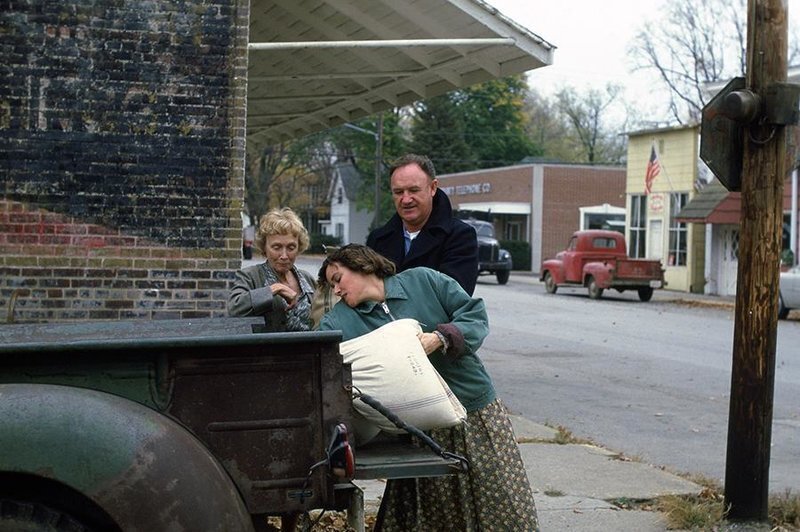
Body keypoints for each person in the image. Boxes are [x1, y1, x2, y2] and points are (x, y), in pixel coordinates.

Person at [317, 244, 538, 531]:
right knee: (438, 512)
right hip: (421, 428)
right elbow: (317, 358)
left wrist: (441, 337)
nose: (336, 290)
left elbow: (474, 315)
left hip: (474, 410)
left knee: (500, 498)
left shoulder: (424, 281)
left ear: (363, 265)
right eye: (332, 285)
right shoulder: (340, 320)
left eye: (338, 279)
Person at [367, 153, 479, 295]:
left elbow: (453, 297)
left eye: (413, 190)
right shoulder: (377, 240)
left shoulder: (459, 237)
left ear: (433, 188)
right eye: (398, 192)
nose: (406, 200)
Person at [228, 207, 315, 331]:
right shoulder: (250, 276)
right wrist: (274, 289)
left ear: (299, 247)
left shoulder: (307, 279)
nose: (284, 256)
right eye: (276, 247)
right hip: (269, 344)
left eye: (291, 248)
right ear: (264, 248)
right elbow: (234, 308)